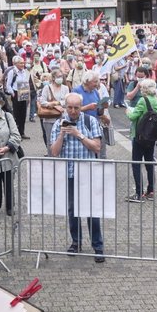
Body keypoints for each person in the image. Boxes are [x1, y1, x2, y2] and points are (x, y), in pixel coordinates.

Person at [49, 93, 105, 262]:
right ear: (65, 107)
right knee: (73, 210)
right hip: (69, 173)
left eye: (76, 107)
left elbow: (97, 147)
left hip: (88, 172)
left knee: (91, 211)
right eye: (70, 107)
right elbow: (54, 152)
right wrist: (62, 135)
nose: (73, 111)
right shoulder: (59, 124)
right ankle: (76, 241)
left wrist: (78, 134)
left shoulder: (90, 121)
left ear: (81, 107)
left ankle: (98, 246)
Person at [126, 79, 157, 203]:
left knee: (136, 164)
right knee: (149, 163)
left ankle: (139, 192)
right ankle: (151, 190)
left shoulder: (143, 100)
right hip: (151, 137)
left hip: (140, 136)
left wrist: (128, 111)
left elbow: (132, 116)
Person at [4, 55, 32, 139]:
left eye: (23, 63)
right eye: (20, 63)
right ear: (15, 64)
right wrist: (12, 93)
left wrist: (28, 95)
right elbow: (8, 85)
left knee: (23, 114)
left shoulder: (25, 71)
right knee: (16, 114)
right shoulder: (12, 72)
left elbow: (27, 83)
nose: (22, 64)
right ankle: (16, 134)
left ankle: (22, 132)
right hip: (16, 92)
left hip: (24, 91)